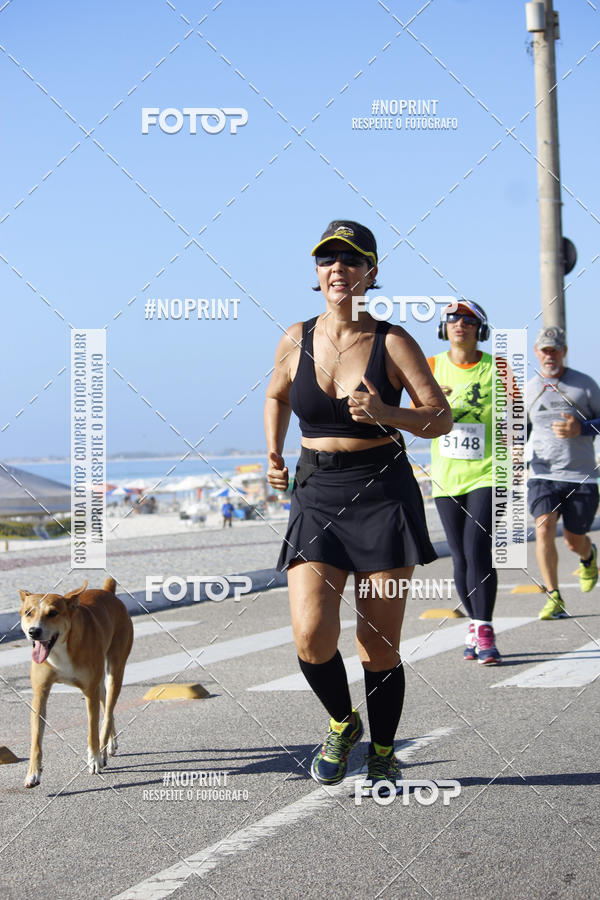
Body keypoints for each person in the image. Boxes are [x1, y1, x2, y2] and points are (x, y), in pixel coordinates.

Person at [264, 220, 452, 793]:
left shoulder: (393, 341)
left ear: (371, 272)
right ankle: (343, 724)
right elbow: (274, 393)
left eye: (350, 261)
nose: (337, 270)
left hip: (383, 494)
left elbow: (439, 417)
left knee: (377, 643)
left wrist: (388, 415)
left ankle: (386, 750)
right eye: (327, 260)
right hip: (316, 493)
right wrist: (272, 453)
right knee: (311, 636)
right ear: (317, 273)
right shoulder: (294, 337)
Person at [428, 301, 503, 664]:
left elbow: (517, 417)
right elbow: (415, 415)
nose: (460, 324)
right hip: (446, 477)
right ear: (444, 327)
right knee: (459, 557)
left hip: (487, 472)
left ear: (480, 328)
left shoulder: (497, 368)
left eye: (468, 319)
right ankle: (473, 625)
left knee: (477, 550)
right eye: (453, 319)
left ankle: (485, 628)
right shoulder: (431, 367)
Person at [527, 326, 600, 619]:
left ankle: (588, 555)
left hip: (580, 475)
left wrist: (580, 428)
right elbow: (520, 428)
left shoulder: (584, 385)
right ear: (537, 353)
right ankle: (553, 595)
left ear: (564, 352)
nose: (550, 355)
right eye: (545, 350)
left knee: (574, 539)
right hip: (542, 474)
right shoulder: (530, 389)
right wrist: (516, 450)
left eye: (555, 350)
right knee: (543, 526)